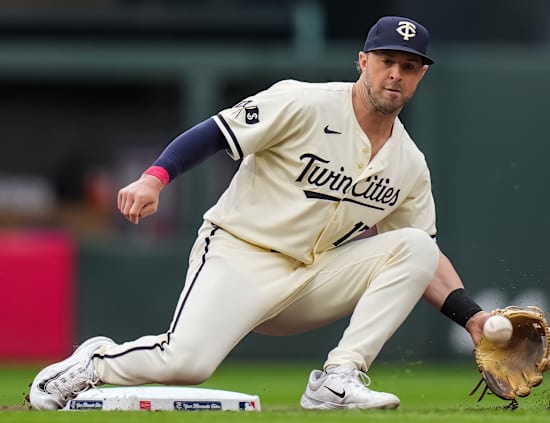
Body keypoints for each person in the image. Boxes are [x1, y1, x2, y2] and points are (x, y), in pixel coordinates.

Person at [29, 16, 493, 411]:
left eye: (408, 66)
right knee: (186, 364)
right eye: (386, 61)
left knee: (413, 245)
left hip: (311, 277)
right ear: (363, 62)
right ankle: (95, 362)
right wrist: (155, 177)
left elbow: (424, 258)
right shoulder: (304, 102)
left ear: (420, 76)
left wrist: (472, 319)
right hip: (241, 254)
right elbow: (215, 132)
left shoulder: (408, 164)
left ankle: (339, 378)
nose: (395, 74)